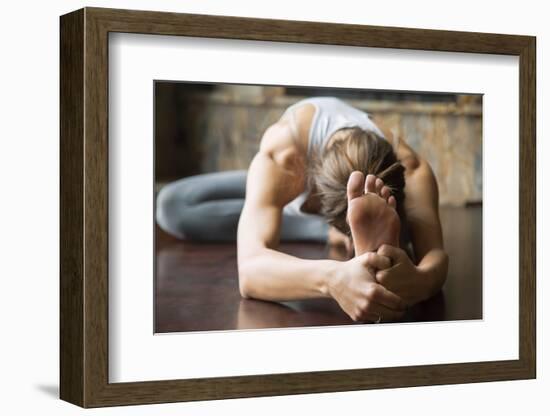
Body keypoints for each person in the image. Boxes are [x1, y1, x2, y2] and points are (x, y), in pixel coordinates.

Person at [156, 97, 448, 323]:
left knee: (410, 224)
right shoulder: (286, 154)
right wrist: (332, 279)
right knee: (172, 205)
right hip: (292, 191)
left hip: (367, 199)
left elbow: (435, 256)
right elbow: (250, 272)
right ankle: (336, 236)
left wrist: (420, 281)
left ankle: (372, 243)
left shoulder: (411, 168)